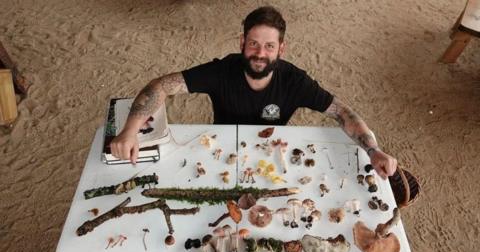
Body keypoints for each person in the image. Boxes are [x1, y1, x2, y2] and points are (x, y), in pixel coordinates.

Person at [110, 6, 397, 179]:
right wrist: (129, 131)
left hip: (272, 156)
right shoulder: (222, 70)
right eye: (253, 44)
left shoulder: (295, 80)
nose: (260, 54)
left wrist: (373, 150)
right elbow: (161, 86)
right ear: (242, 42)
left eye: (269, 46)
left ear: (281, 49)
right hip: (219, 151)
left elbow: (342, 112)